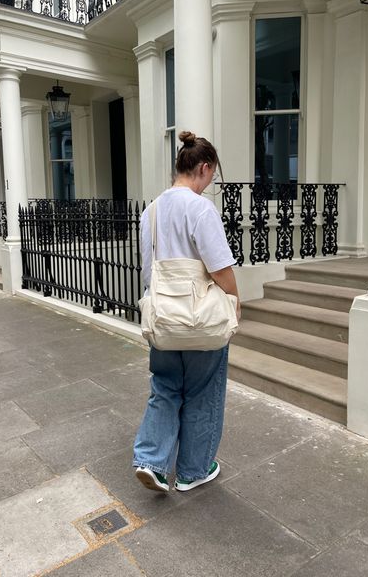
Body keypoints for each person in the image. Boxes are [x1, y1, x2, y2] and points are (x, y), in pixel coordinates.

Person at [133, 130, 240, 493]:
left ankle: (152, 462)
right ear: (204, 168)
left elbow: (149, 272)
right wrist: (234, 303)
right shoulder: (200, 208)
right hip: (200, 319)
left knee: (164, 387)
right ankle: (194, 471)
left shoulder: (152, 212)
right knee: (203, 391)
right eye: (212, 176)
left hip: (165, 316)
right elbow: (220, 268)